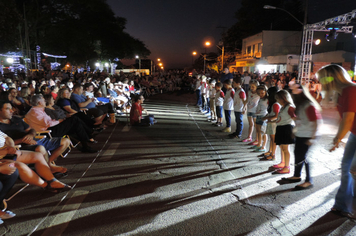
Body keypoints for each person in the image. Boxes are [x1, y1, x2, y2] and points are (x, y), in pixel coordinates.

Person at [316, 64, 356, 218]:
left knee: (353, 171)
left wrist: (337, 138)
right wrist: (339, 138)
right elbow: (345, 120)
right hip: (354, 134)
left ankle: (351, 207)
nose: (320, 82)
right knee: (346, 168)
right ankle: (342, 206)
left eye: (322, 78)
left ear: (330, 78)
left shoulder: (351, 90)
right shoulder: (340, 93)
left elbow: (348, 119)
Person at [0, 100, 70, 174]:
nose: (12, 111)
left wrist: (30, 135)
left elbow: (31, 130)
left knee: (65, 141)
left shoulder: (16, 119)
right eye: (8, 109)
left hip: (35, 140)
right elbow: (4, 143)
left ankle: (49, 163)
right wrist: (23, 140)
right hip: (21, 146)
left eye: (11, 108)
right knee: (40, 148)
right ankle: (49, 170)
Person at [279, 83, 322, 190]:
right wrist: (295, 130)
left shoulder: (309, 105)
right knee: (298, 155)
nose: (293, 96)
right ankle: (297, 175)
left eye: (294, 94)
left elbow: (316, 122)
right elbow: (299, 120)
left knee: (305, 157)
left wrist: (313, 137)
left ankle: (308, 181)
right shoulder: (301, 105)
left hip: (308, 135)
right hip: (301, 134)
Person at [25, 94, 97, 153]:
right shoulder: (34, 112)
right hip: (47, 132)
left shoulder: (38, 110)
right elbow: (48, 124)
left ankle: (85, 145)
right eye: (43, 100)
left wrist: (59, 120)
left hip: (51, 128)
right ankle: (89, 134)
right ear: (39, 103)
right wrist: (59, 121)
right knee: (74, 120)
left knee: (76, 122)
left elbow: (49, 121)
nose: (45, 101)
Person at [272, 90, 296, 174]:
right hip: (281, 128)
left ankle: (287, 167)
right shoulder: (283, 107)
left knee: (285, 149)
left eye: (278, 99)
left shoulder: (290, 107)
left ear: (284, 98)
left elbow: (295, 118)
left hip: (287, 128)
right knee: (282, 147)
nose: (277, 101)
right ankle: (283, 163)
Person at [260, 87, 280, 160]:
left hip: (274, 124)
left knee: (273, 140)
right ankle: (270, 151)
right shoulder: (274, 104)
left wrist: (266, 118)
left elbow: (276, 116)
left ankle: (273, 154)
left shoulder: (275, 104)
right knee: (271, 139)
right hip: (271, 123)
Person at [253, 85, 269, 152]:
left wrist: (267, 117)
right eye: (259, 93)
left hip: (264, 116)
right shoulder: (261, 99)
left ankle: (263, 146)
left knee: (264, 132)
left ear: (265, 91)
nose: (261, 95)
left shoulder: (267, 99)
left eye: (262, 93)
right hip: (258, 115)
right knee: (258, 131)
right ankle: (259, 144)